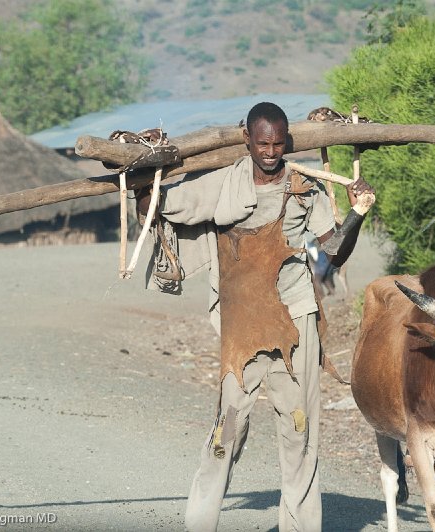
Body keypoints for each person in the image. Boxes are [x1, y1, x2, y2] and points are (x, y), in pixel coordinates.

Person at [135, 102, 374, 531]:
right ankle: (199, 522)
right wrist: (144, 170)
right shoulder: (221, 184)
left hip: (296, 318)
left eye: (278, 144)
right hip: (241, 324)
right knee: (228, 427)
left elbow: (334, 252)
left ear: (286, 141)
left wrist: (356, 213)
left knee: (300, 431)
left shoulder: (304, 186)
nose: (270, 152)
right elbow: (162, 206)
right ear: (246, 138)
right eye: (262, 143)